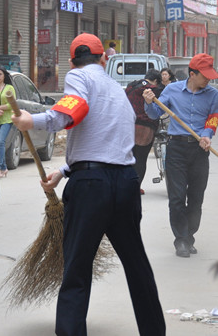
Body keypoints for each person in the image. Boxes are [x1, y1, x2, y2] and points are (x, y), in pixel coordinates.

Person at [12, 33, 165, 336]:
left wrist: (34, 121)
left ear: (73, 61)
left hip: (91, 187)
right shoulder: (116, 90)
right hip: (125, 183)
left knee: (76, 271)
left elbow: (73, 109)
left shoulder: (78, 76)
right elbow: (110, 141)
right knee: (138, 266)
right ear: (104, 58)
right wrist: (65, 170)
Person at [143, 53, 218, 258]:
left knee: (196, 198)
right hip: (176, 149)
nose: (209, 80)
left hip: (199, 150)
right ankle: (181, 240)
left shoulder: (212, 95)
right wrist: (150, 102)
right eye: (205, 76)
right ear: (192, 74)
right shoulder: (172, 90)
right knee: (176, 198)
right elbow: (155, 114)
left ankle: (189, 236)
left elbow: (213, 119)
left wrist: (207, 135)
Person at [125, 69, 163, 195]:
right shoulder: (155, 90)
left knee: (129, 158)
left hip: (128, 126)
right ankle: (136, 187)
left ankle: (126, 185)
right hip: (145, 128)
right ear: (156, 80)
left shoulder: (131, 85)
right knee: (141, 159)